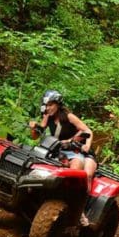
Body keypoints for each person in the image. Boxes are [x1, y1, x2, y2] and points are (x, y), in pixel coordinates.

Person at [29, 90, 97, 225]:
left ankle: (80, 211)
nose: (48, 108)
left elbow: (87, 130)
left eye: (51, 105)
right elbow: (36, 135)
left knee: (83, 175)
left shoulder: (69, 116)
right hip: (60, 150)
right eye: (46, 105)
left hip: (78, 150)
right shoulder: (47, 116)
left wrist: (86, 145)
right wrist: (34, 127)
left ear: (58, 104)